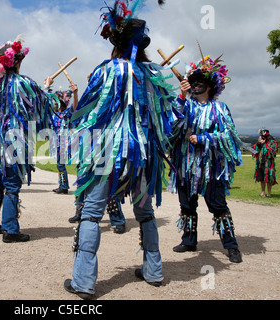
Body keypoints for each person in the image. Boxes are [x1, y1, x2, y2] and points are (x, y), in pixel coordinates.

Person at [64, 0, 173, 299]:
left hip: (106, 152)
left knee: (91, 212)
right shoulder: (153, 74)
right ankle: (154, 271)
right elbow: (167, 115)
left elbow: (86, 111)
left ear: (114, 42)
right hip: (142, 156)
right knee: (145, 212)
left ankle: (84, 282)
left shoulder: (106, 70)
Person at [0, 36, 59, 243]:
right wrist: (47, 87)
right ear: (16, 62)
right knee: (12, 183)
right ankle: (10, 229)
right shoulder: (24, 83)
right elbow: (43, 104)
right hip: (14, 141)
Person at [168, 50, 243, 263]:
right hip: (186, 165)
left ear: (211, 86)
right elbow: (172, 126)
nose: (197, 84)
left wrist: (204, 138)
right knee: (187, 205)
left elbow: (230, 135)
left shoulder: (220, 108)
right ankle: (189, 240)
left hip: (213, 167)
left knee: (218, 206)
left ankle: (231, 245)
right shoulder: (185, 104)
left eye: (202, 81)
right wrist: (181, 96)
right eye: (194, 81)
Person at [50, 86, 78, 195]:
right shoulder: (55, 114)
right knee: (59, 165)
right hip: (56, 142)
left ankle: (64, 186)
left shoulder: (66, 113)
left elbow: (75, 106)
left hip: (63, 142)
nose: (55, 104)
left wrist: (75, 94)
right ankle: (62, 185)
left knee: (60, 165)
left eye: (56, 102)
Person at [253, 129, 278, 198]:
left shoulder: (272, 143)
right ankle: (263, 193)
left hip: (268, 164)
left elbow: (271, 153)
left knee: (268, 178)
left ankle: (269, 194)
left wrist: (264, 144)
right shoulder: (259, 143)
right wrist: (259, 143)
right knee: (261, 179)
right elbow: (255, 151)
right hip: (260, 162)